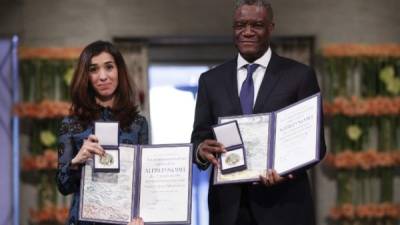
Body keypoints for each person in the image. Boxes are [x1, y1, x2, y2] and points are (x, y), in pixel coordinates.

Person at [191, 1, 326, 225]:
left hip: (284, 207)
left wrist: (286, 170)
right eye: (240, 25)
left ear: (271, 28)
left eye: (257, 25)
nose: (247, 32)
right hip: (228, 210)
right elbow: (199, 138)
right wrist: (201, 150)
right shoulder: (210, 80)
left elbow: (316, 145)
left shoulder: (299, 76)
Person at [56, 40, 148, 225]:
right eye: (94, 69)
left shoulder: (138, 124)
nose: (103, 76)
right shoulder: (71, 124)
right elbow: (63, 186)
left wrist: (140, 216)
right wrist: (76, 162)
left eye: (109, 67)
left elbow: (141, 181)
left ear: (119, 71)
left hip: (124, 220)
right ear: (86, 76)